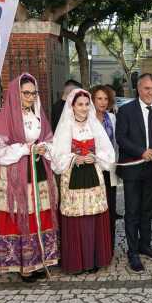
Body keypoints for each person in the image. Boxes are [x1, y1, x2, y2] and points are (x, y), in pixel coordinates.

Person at [0, 73, 59, 282]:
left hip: (38, 170)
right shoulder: (7, 116)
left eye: (33, 93)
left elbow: (48, 137)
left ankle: (39, 259)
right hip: (17, 173)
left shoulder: (38, 115)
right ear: (16, 94)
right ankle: (22, 265)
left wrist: (45, 148)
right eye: (26, 93)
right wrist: (23, 149)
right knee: (19, 217)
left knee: (40, 214)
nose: (30, 97)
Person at [52, 88, 115, 274]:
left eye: (87, 104)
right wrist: (73, 157)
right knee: (76, 218)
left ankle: (94, 259)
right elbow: (56, 156)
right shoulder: (65, 126)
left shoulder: (94, 125)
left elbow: (109, 152)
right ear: (72, 106)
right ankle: (76, 261)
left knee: (93, 216)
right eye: (80, 104)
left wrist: (95, 156)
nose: (84, 108)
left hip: (93, 176)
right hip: (72, 176)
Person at [116, 73, 152, 272]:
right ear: (139, 89)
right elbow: (121, 138)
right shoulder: (126, 110)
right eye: (147, 88)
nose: (151, 92)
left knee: (148, 210)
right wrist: (141, 152)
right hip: (133, 168)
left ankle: (145, 245)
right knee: (132, 212)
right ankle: (133, 252)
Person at [90, 85, 122, 251]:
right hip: (92, 171)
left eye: (105, 99)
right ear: (92, 100)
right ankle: (95, 247)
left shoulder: (112, 118)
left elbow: (116, 144)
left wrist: (117, 166)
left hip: (109, 170)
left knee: (110, 210)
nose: (103, 102)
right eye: (99, 98)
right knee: (96, 211)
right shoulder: (87, 118)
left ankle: (108, 247)